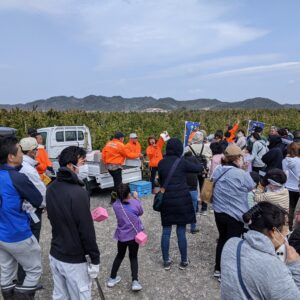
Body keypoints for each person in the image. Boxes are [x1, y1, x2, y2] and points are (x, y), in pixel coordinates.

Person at [46, 146, 100, 300]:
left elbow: (53, 217)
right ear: (71, 165)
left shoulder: (51, 187)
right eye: (82, 162)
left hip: (55, 253)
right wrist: (95, 259)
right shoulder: (79, 193)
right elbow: (86, 231)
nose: (84, 167)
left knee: (60, 295)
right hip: (74, 260)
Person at [221, 202, 300, 299]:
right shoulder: (275, 269)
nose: (286, 233)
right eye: (285, 229)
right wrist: (295, 266)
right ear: (274, 232)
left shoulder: (231, 244)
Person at [0, 136, 43, 300]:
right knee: (34, 269)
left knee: (6, 270)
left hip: (1, 234)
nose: (22, 155)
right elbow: (38, 200)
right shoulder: (17, 177)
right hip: (17, 233)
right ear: (11, 157)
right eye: (19, 151)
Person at [158, 138, 202, 270]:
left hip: (166, 200)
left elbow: (161, 181)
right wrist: (197, 158)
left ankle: (166, 261)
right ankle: (184, 261)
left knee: (166, 231)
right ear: (179, 149)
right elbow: (198, 168)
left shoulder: (161, 163)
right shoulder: (182, 162)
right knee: (181, 231)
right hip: (182, 200)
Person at [212, 144, 255, 279]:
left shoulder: (219, 169)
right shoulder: (242, 174)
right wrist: (244, 170)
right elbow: (251, 187)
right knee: (233, 243)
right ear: (237, 159)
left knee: (222, 239)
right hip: (235, 214)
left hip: (218, 211)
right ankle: (227, 272)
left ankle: (218, 268)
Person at [18, 137, 47, 285]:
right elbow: (40, 192)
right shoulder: (29, 169)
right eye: (36, 150)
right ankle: (26, 282)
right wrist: (46, 205)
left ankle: (20, 277)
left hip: (23, 210)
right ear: (31, 151)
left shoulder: (19, 164)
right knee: (31, 246)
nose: (37, 153)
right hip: (33, 211)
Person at [107, 183, 144, 291]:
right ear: (128, 194)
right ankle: (135, 281)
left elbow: (119, 200)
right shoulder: (134, 203)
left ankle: (112, 279)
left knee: (119, 255)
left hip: (122, 236)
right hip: (133, 237)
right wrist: (136, 198)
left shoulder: (115, 205)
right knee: (133, 257)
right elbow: (140, 212)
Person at [102, 132, 141, 201]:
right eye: (123, 138)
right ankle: (114, 200)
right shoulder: (120, 145)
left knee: (117, 183)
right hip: (116, 167)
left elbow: (103, 154)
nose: (123, 139)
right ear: (120, 138)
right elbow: (128, 155)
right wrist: (138, 155)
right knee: (118, 185)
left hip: (108, 167)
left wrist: (105, 163)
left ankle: (119, 198)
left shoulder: (108, 143)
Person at [185, 131, 212, 215]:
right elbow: (209, 158)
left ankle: (195, 208)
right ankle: (204, 209)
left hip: (192, 171)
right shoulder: (206, 147)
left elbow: (184, 158)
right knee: (204, 189)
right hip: (203, 170)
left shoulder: (188, 147)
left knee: (194, 189)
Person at [282, 142, 300, 230]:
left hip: (288, 186)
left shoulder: (285, 161)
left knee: (289, 207)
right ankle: (295, 227)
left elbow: (285, 174)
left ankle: (287, 226)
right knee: (297, 209)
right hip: (298, 187)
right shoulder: (299, 160)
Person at [184, 152, 201, 234]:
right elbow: (200, 168)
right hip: (193, 188)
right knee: (193, 209)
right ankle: (193, 228)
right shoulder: (194, 159)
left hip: (184, 189)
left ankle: (182, 226)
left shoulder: (182, 161)